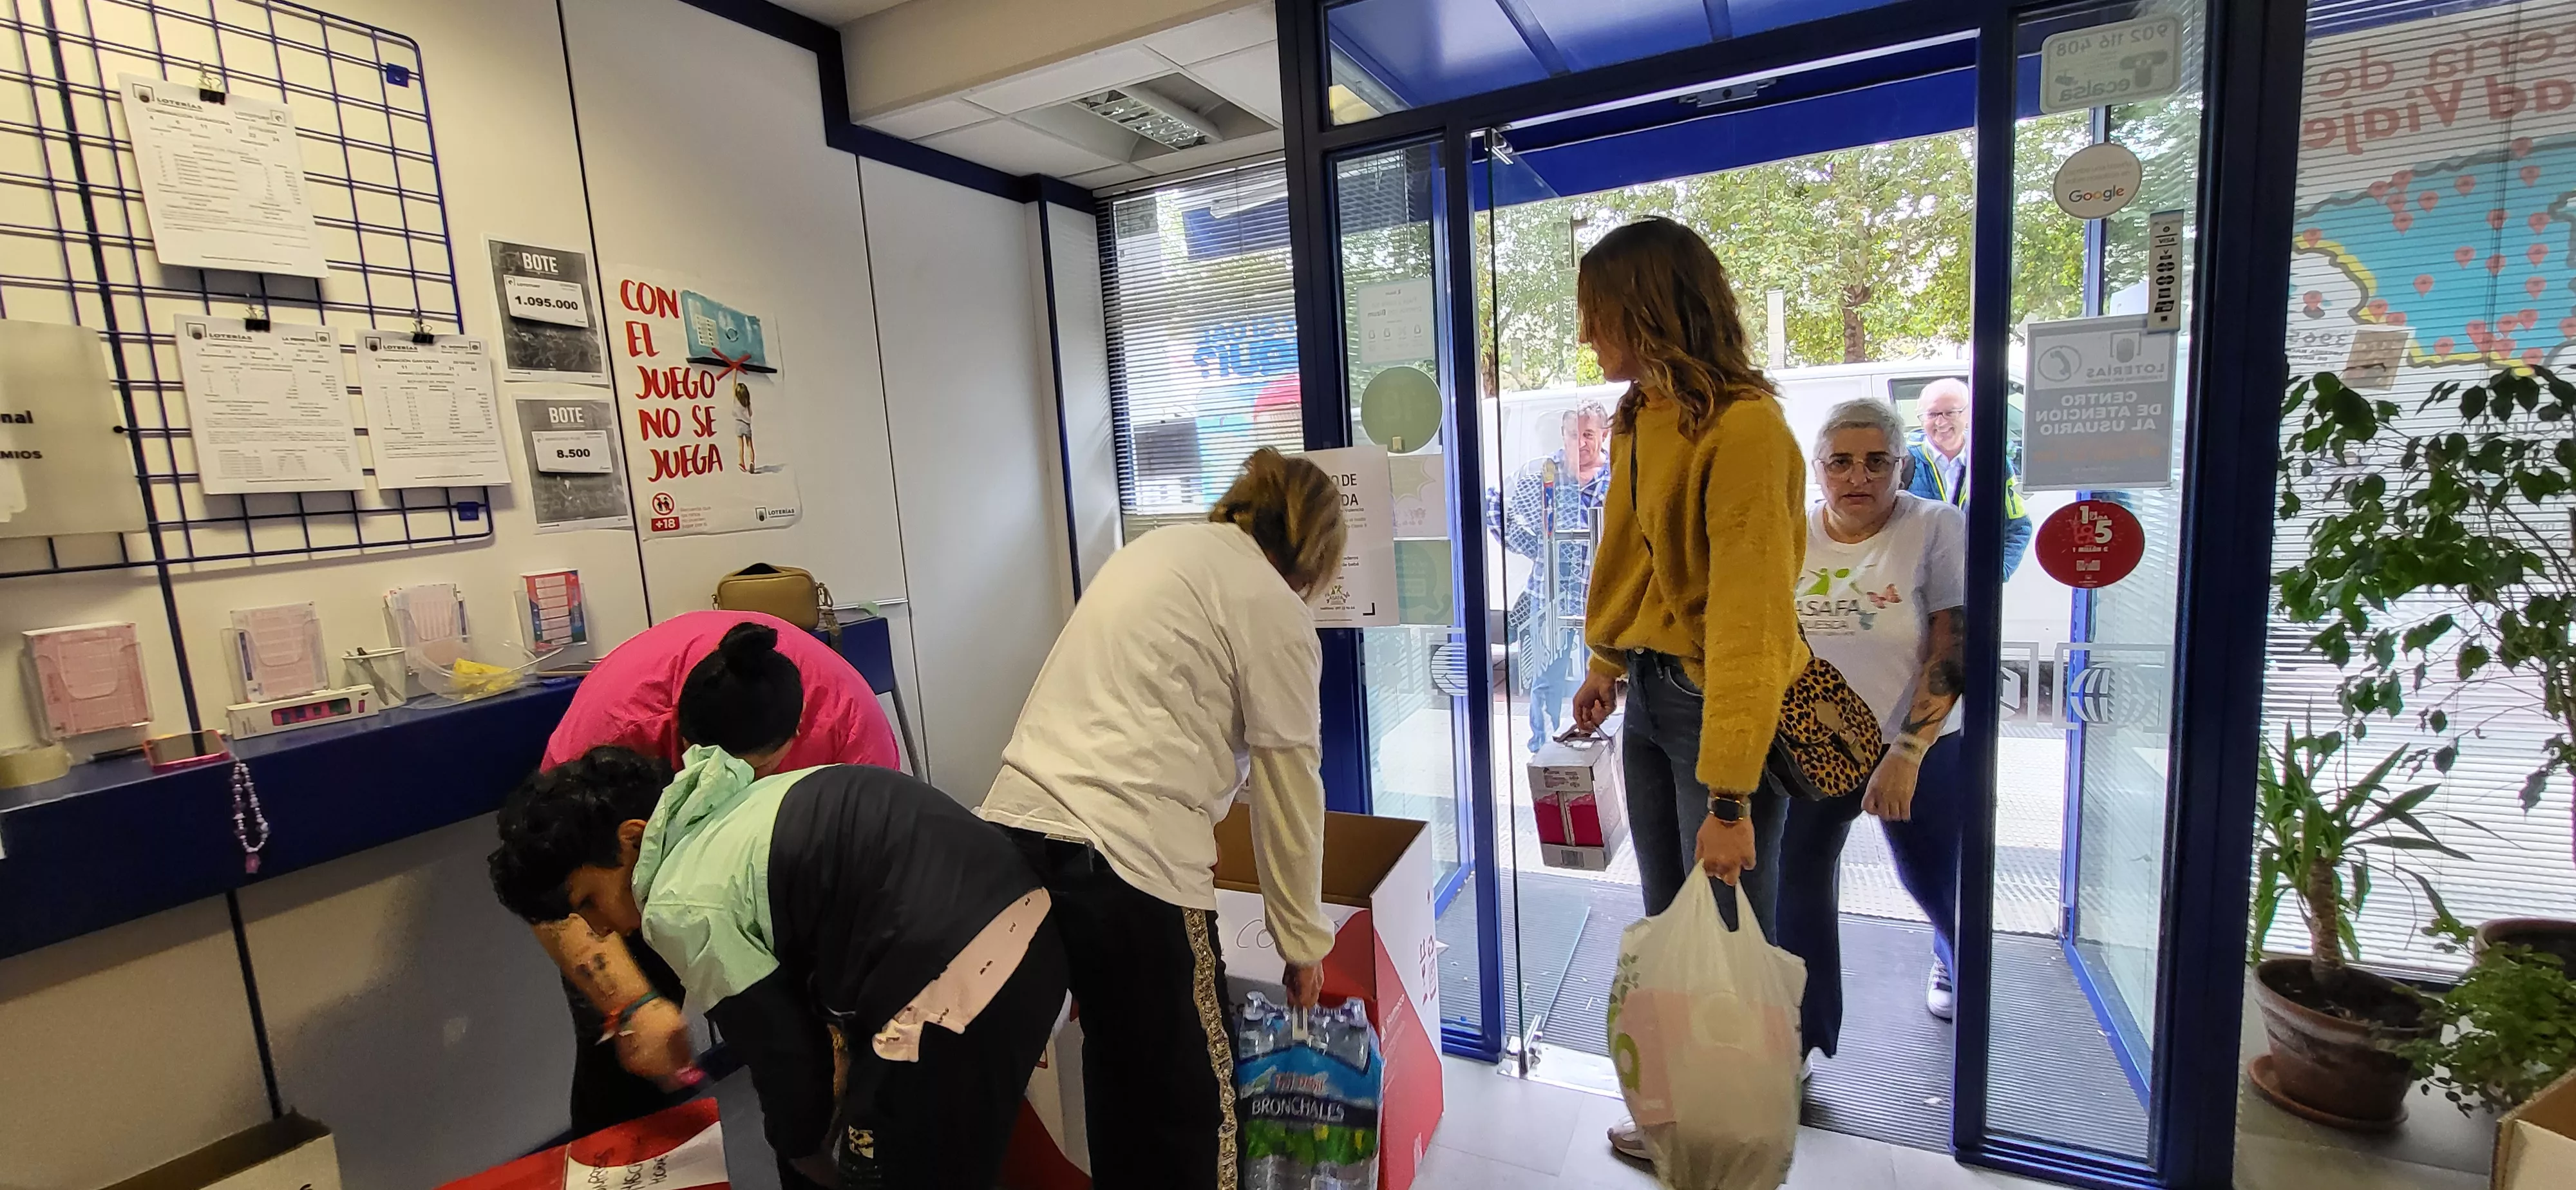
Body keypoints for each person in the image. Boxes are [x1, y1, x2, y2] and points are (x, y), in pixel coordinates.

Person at [489, 624, 1064, 1190]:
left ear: (635, 839)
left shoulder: (680, 903)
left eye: (589, 901)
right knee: (899, 1143)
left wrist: (799, 1146)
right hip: (1019, 922)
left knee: (883, 1165)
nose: (597, 928)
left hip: (958, 969)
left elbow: (783, 1049)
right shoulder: (720, 792)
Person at [981, 446, 1343, 1190]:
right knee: (1188, 1103)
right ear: (1311, 552)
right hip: (1130, 860)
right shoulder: (1271, 605)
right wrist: (1302, 943)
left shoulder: (1157, 552)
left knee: (1115, 1066)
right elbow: (1289, 789)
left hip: (1017, 830)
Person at [1562, 218, 1808, 1162]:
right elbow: (1631, 558)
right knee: (1671, 923)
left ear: (1650, 309)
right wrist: (1605, 664)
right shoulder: (1642, 417)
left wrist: (1734, 797)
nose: (1589, 337)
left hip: (1719, 707)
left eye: (1599, 315)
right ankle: (1679, 1123)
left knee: (1729, 926)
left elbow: (1750, 623)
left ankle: (1736, 1137)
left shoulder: (1746, 430)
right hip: (1656, 694)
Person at [531, 610, 899, 1139]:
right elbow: (555, 889)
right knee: (622, 1062)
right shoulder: (618, 726)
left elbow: (867, 904)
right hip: (637, 862)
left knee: (823, 1068)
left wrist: (842, 1029)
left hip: (796, 883)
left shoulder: (844, 731)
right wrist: (631, 1001)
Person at [1775, 401, 1972, 1068]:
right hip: (1820, 748)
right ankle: (1804, 1038)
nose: (1857, 477)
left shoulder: (1933, 525)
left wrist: (1908, 751)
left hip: (1919, 746)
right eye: (1840, 462)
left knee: (1932, 879)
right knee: (1794, 883)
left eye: (1876, 462)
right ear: (1818, 468)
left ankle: (1954, 960)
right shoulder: (1793, 532)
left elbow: (1951, 642)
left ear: (1902, 465)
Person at [1493, 402, 1612, 752]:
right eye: (1573, 434)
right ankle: (1544, 751)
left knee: (1598, 679)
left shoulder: (1619, 478)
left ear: (1603, 436)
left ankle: (1591, 747)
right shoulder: (1544, 473)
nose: (1580, 442)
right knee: (1546, 681)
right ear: (1563, 434)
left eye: (1588, 435)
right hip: (1550, 599)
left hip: (1599, 601)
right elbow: (1493, 503)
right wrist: (1533, 547)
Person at [1906, 377, 2030, 577]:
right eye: (1932, 414)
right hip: (1916, 590)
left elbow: (2018, 527)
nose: (1941, 421)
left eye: (1950, 413)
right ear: (1921, 418)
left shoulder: (1993, 463)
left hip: (1972, 591)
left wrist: (1998, 573)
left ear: (1969, 413)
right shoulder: (1903, 462)